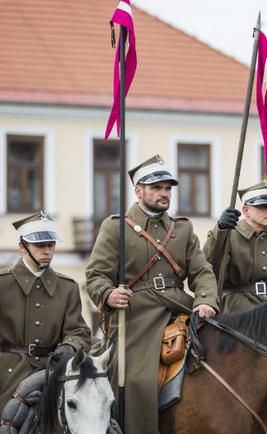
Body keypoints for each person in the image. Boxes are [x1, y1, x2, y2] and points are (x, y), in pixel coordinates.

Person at [86, 154, 219, 434]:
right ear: (138, 191)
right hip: (136, 313)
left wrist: (205, 301)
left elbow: (202, 272)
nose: (164, 194)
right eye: (157, 188)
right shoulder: (116, 227)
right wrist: (109, 294)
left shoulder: (182, 229)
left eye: (168, 188)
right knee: (135, 379)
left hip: (178, 304)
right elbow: (96, 275)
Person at [0, 211, 91, 434]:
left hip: (53, 373)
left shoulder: (68, 287)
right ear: (22, 247)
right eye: (39, 245)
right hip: (5, 377)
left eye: (50, 245)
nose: (47, 251)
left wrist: (70, 346)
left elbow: (80, 331)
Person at [204, 180, 267, 314]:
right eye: (264, 206)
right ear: (246, 211)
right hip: (236, 312)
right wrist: (220, 230)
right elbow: (208, 267)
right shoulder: (229, 236)